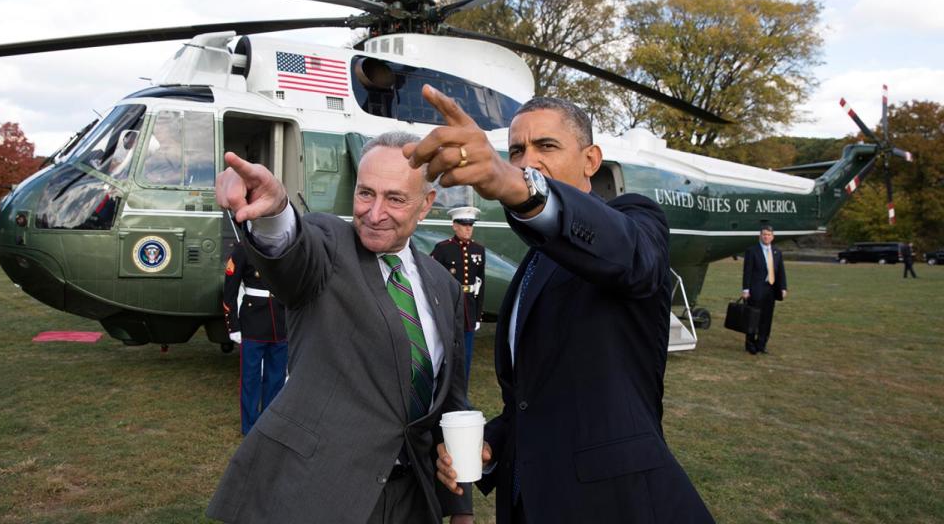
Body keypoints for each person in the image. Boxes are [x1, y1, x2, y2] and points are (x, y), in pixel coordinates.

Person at [412, 87, 713, 523]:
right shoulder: (535, 262)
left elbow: (630, 257)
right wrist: (492, 444)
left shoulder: (636, 222)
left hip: (611, 504)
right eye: (515, 151)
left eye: (546, 146)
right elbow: (534, 399)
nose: (527, 161)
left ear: (591, 160)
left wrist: (522, 189)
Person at [207, 132, 473, 524]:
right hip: (319, 492)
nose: (374, 212)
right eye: (366, 193)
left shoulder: (443, 285)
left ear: (426, 204)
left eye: (395, 198)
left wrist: (461, 508)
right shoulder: (330, 245)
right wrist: (274, 210)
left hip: (411, 499)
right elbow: (295, 252)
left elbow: (451, 403)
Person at [223, 242, 288, 436]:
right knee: (251, 378)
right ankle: (250, 426)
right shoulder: (244, 249)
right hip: (253, 322)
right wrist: (233, 325)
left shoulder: (285, 247)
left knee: (276, 377)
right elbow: (230, 290)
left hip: (281, 321)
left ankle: (270, 423)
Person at [431, 206, 486, 382]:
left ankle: (461, 397)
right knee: (446, 354)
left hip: (468, 309)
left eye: (471, 224)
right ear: (454, 226)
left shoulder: (478, 250)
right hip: (449, 307)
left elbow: (480, 283)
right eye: (463, 224)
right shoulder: (442, 249)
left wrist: (477, 315)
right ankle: (442, 391)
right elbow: (432, 280)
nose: (468, 228)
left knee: (465, 356)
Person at [741, 225, 788, 355]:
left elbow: (781, 272)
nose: (766, 236)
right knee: (753, 317)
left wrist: (783, 287)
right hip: (756, 289)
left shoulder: (777, 252)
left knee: (767, 319)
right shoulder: (752, 251)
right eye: (764, 234)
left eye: (768, 234)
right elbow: (747, 272)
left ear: (772, 237)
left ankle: (762, 344)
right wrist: (746, 289)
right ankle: (750, 344)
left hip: (771, 290)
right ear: (760, 236)